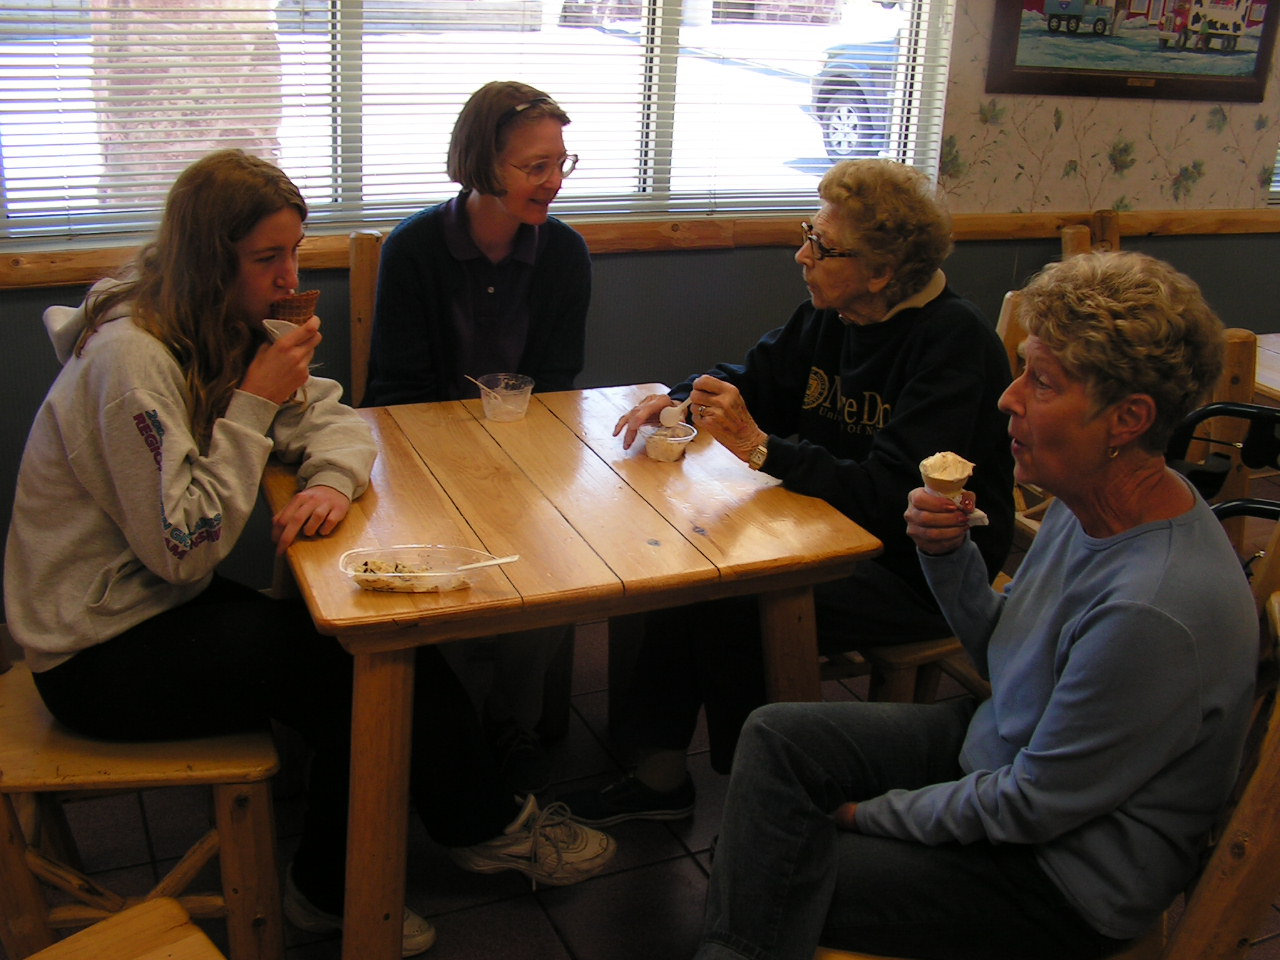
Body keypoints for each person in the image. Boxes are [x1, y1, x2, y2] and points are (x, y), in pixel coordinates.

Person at [2, 149, 614, 959]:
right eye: (268, 258)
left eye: (294, 251)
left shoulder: (217, 320)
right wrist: (256, 401)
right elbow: (185, 549)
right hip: (94, 649)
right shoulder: (131, 362)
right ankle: (413, 857)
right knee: (361, 674)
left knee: (366, 654)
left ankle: (419, 847)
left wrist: (327, 479)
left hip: (153, 603)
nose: (289, 278)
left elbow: (333, 419)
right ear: (208, 259)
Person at [695, 250, 1258, 960]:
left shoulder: (1154, 610)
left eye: (1041, 381)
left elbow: (1033, 806)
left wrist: (870, 815)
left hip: (1063, 875)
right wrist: (949, 557)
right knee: (777, 739)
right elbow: (1004, 656)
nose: (1008, 398)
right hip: (1004, 751)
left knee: (769, 866)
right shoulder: (1089, 502)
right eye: (1021, 369)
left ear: (1128, 419)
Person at [563, 158, 1014, 825]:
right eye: (809, 233)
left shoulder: (952, 344)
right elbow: (755, 379)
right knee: (689, 573)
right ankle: (661, 776)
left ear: (883, 271)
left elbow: (892, 496)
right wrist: (683, 398)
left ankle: (766, 802)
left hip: (924, 568)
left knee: (735, 599)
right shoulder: (834, 314)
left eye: (823, 246)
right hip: (829, 526)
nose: (802, 255)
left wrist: (763, 448)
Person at [364, 81, 590, 793]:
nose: (554, 182)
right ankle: (447, 733)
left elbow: (559, 386)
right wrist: (463, 476)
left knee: (557, 568)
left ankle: (509, 722)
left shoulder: (565, 254)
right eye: (535, 166)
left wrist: (518, 478)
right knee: (442, 580)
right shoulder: (414, 248)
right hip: (421, 465)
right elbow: (396, 393)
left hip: (527, 463)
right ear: (481, 162)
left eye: (561, 163)